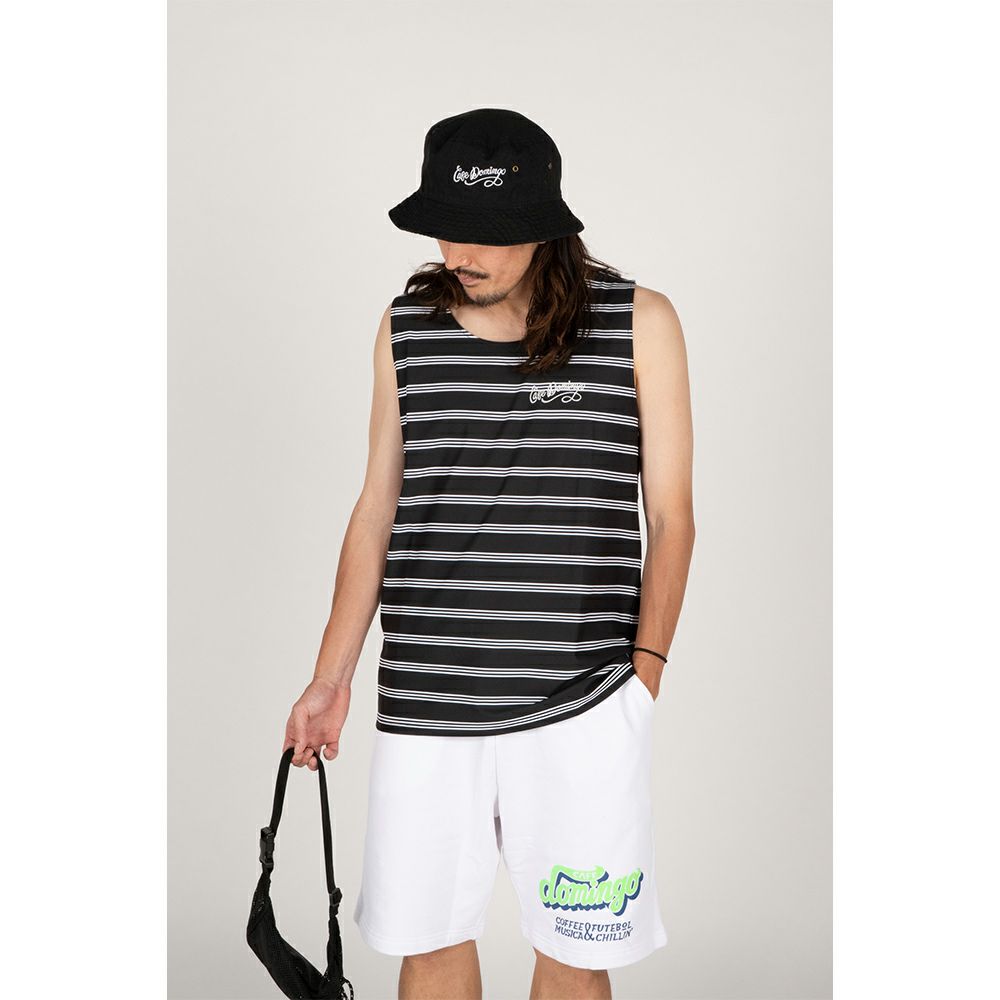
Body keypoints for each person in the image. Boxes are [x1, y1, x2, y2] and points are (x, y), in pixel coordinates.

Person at [284, 108, 695, 1000]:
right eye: (446, 225)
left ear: (543, 226)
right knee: (429, 947)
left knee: (575, 954)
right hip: (429, 696)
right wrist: (330, 678)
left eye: (486, 232)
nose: (459, 251)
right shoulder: (407, 328)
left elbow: (671, 516)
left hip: (585, 697)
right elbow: (375, 511)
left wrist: (643, 678)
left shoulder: (640, 322)